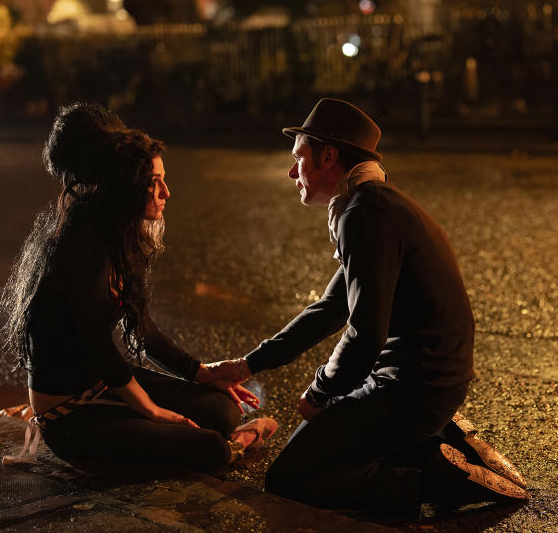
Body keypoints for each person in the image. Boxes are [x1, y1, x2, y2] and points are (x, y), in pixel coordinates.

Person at [214, 98, 528, 515]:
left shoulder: (366, 215)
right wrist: (248, 365)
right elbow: (330, 309)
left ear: (328, 155)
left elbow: (365, 333)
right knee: (328, 449)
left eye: (298, 158)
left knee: (288, 478)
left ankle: (433, 477)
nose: (292, 172)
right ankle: (437, 440)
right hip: (429, 380)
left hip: (413, 387)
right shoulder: (372, 204)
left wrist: (321, 392)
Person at [1, 102, 275, 470]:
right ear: (125, 189)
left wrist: (202, 372)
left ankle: (215, 432)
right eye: (153, 183)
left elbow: (141, 327)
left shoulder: (114, 236)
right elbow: (99, 348)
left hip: (104, 387)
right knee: (211, 449)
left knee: (222, 409)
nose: (165, 192)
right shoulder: (85, 247)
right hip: (70, 416)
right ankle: (234, 443)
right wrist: (152, 411)